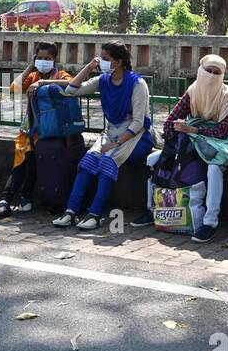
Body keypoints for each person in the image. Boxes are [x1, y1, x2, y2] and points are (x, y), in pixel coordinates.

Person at [47, 42, 158, 230]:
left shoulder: (137, 84)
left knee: (108, 161)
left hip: (137, 136)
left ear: (120, 61)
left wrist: (115, 144)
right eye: (101, 59)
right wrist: (88, 68)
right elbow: (71, 91)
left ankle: (95, 214)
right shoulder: (103, 80)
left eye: (106, 59)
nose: (102, 63)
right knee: (88, 161)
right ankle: (71, 212)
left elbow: (139, 123)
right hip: (113, 132)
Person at [145, 54, 228, 244]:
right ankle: (153, 210)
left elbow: (223, 130)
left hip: (222, 145)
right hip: (194, 142)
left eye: (217, 73)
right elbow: (170, 121)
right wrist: (177, 133)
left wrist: (193, 129)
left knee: (214, 169)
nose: (212, 76)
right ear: (200, 71)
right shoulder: (193, 90)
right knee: (152, 160)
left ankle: (210, 222)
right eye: (208, 71)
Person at [0, 41, 71, 217]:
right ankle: (5, 200)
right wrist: (30, 66)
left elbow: (71, 86)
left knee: (36, 161)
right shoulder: (32, 76)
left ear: (54, 59)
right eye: (40, 58)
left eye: (47, 58)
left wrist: (41, 83)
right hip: (30, 130)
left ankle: (27, 197)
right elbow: (13, 88)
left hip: (51, 132)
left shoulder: (62, 75)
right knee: (22, 161)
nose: (43, 61)